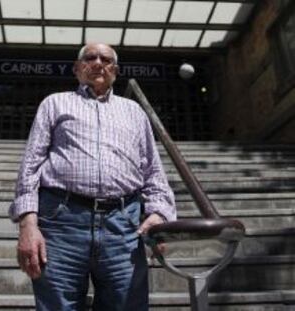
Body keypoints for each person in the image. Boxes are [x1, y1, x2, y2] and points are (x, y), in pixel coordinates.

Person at [9, 43, 176, 311]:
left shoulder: (134, 111)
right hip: (62, 222)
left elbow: (153, 171)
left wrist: (160, 215)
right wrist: (28, 226)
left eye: (106, 59)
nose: (99, 63)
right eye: (90, 58)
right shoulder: (54, 103)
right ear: (77, 69)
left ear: (116, 70)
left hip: (123, 225)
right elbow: (30, 166)